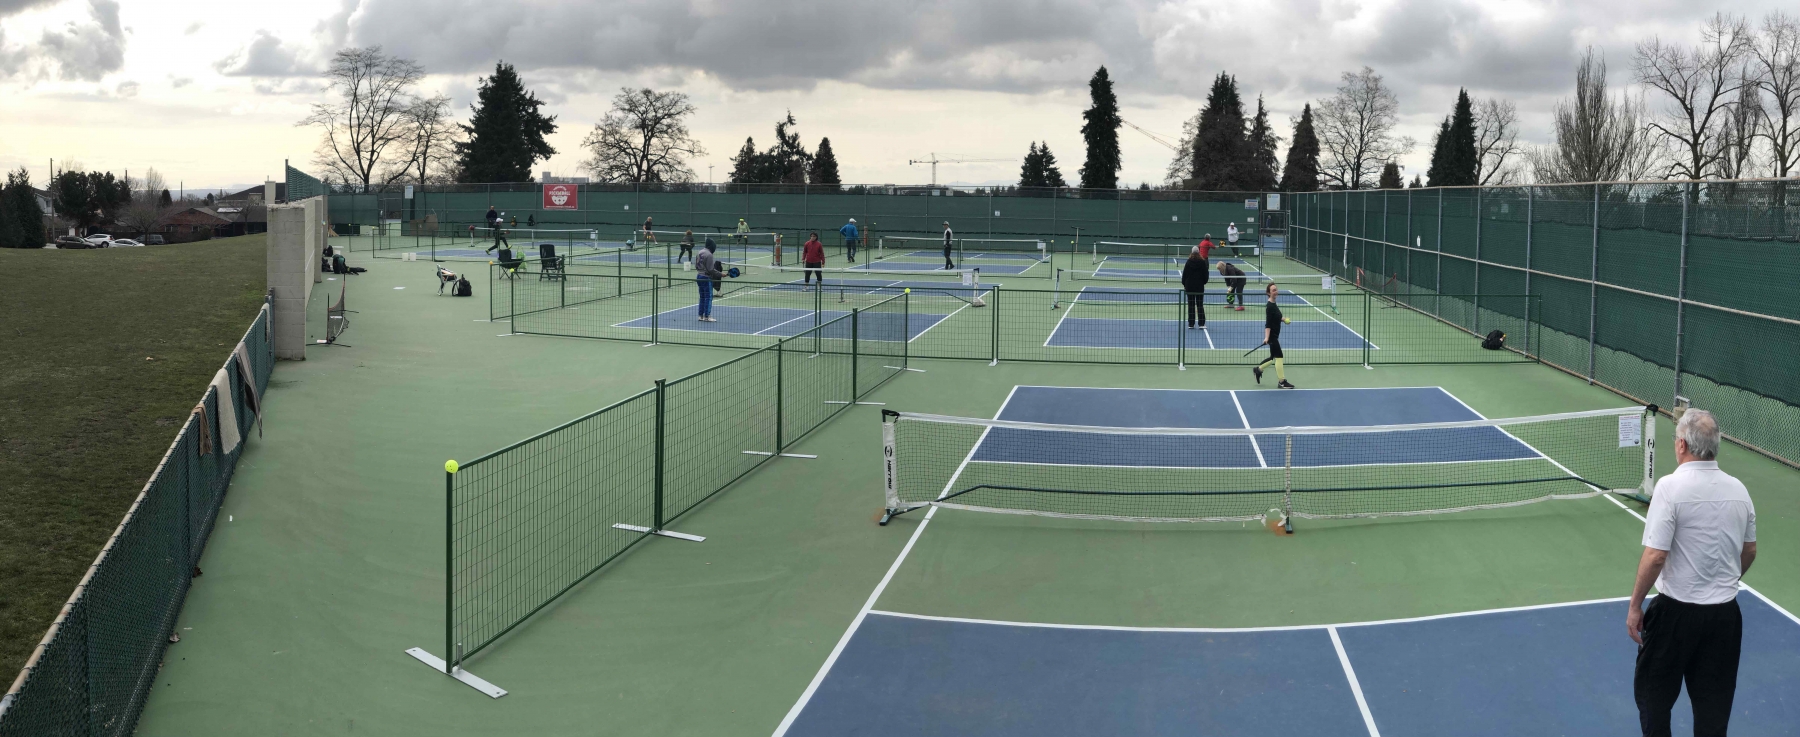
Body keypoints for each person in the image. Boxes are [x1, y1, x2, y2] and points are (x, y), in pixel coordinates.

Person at [1628, 408, 1756, 737]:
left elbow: (1656, 555)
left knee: (1653, 698)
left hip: (1674, 617)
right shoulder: (1739, 490)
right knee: (1714, 709)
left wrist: (1634, 606)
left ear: (1682, 445)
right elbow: (1749, 550)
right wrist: (1722, 581)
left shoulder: (1670, 488)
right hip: (1724, 619)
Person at [1253, 282, 1294, 388]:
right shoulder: (1270, 307)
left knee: (1272, 358)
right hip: (1272, 336)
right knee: (1279, 357)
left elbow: (1275, 318)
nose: (1276, 291)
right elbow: (1268, 324)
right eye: (1273, 290)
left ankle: (1258, 370)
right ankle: (1282, 381)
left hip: (1275, 335)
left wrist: (1283, 319)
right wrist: (1267, 337)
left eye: (1276, 289)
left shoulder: (1273, 304)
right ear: (1268, 293)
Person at [693, 239, 722, 322]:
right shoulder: (709, 255)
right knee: (708, 297)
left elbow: (696, 265)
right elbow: (711, 269)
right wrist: (720, 274)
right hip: (706, 277)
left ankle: (700, 315)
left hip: (699, 276)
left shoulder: (699, 252)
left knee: (702, 296)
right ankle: (707, 316)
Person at [1181, 245, 1209, 329]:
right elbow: (1205, 274)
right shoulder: (1202, 262)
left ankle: (1191, 323)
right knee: (1200, 304)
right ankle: (1201, 323)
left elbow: (1184, 275)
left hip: (1189, 286)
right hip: (1199, 286)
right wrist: (1203, 282)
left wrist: (1185, 284)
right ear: (1198, 252)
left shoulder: (1188, 262)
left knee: (1191, 304)